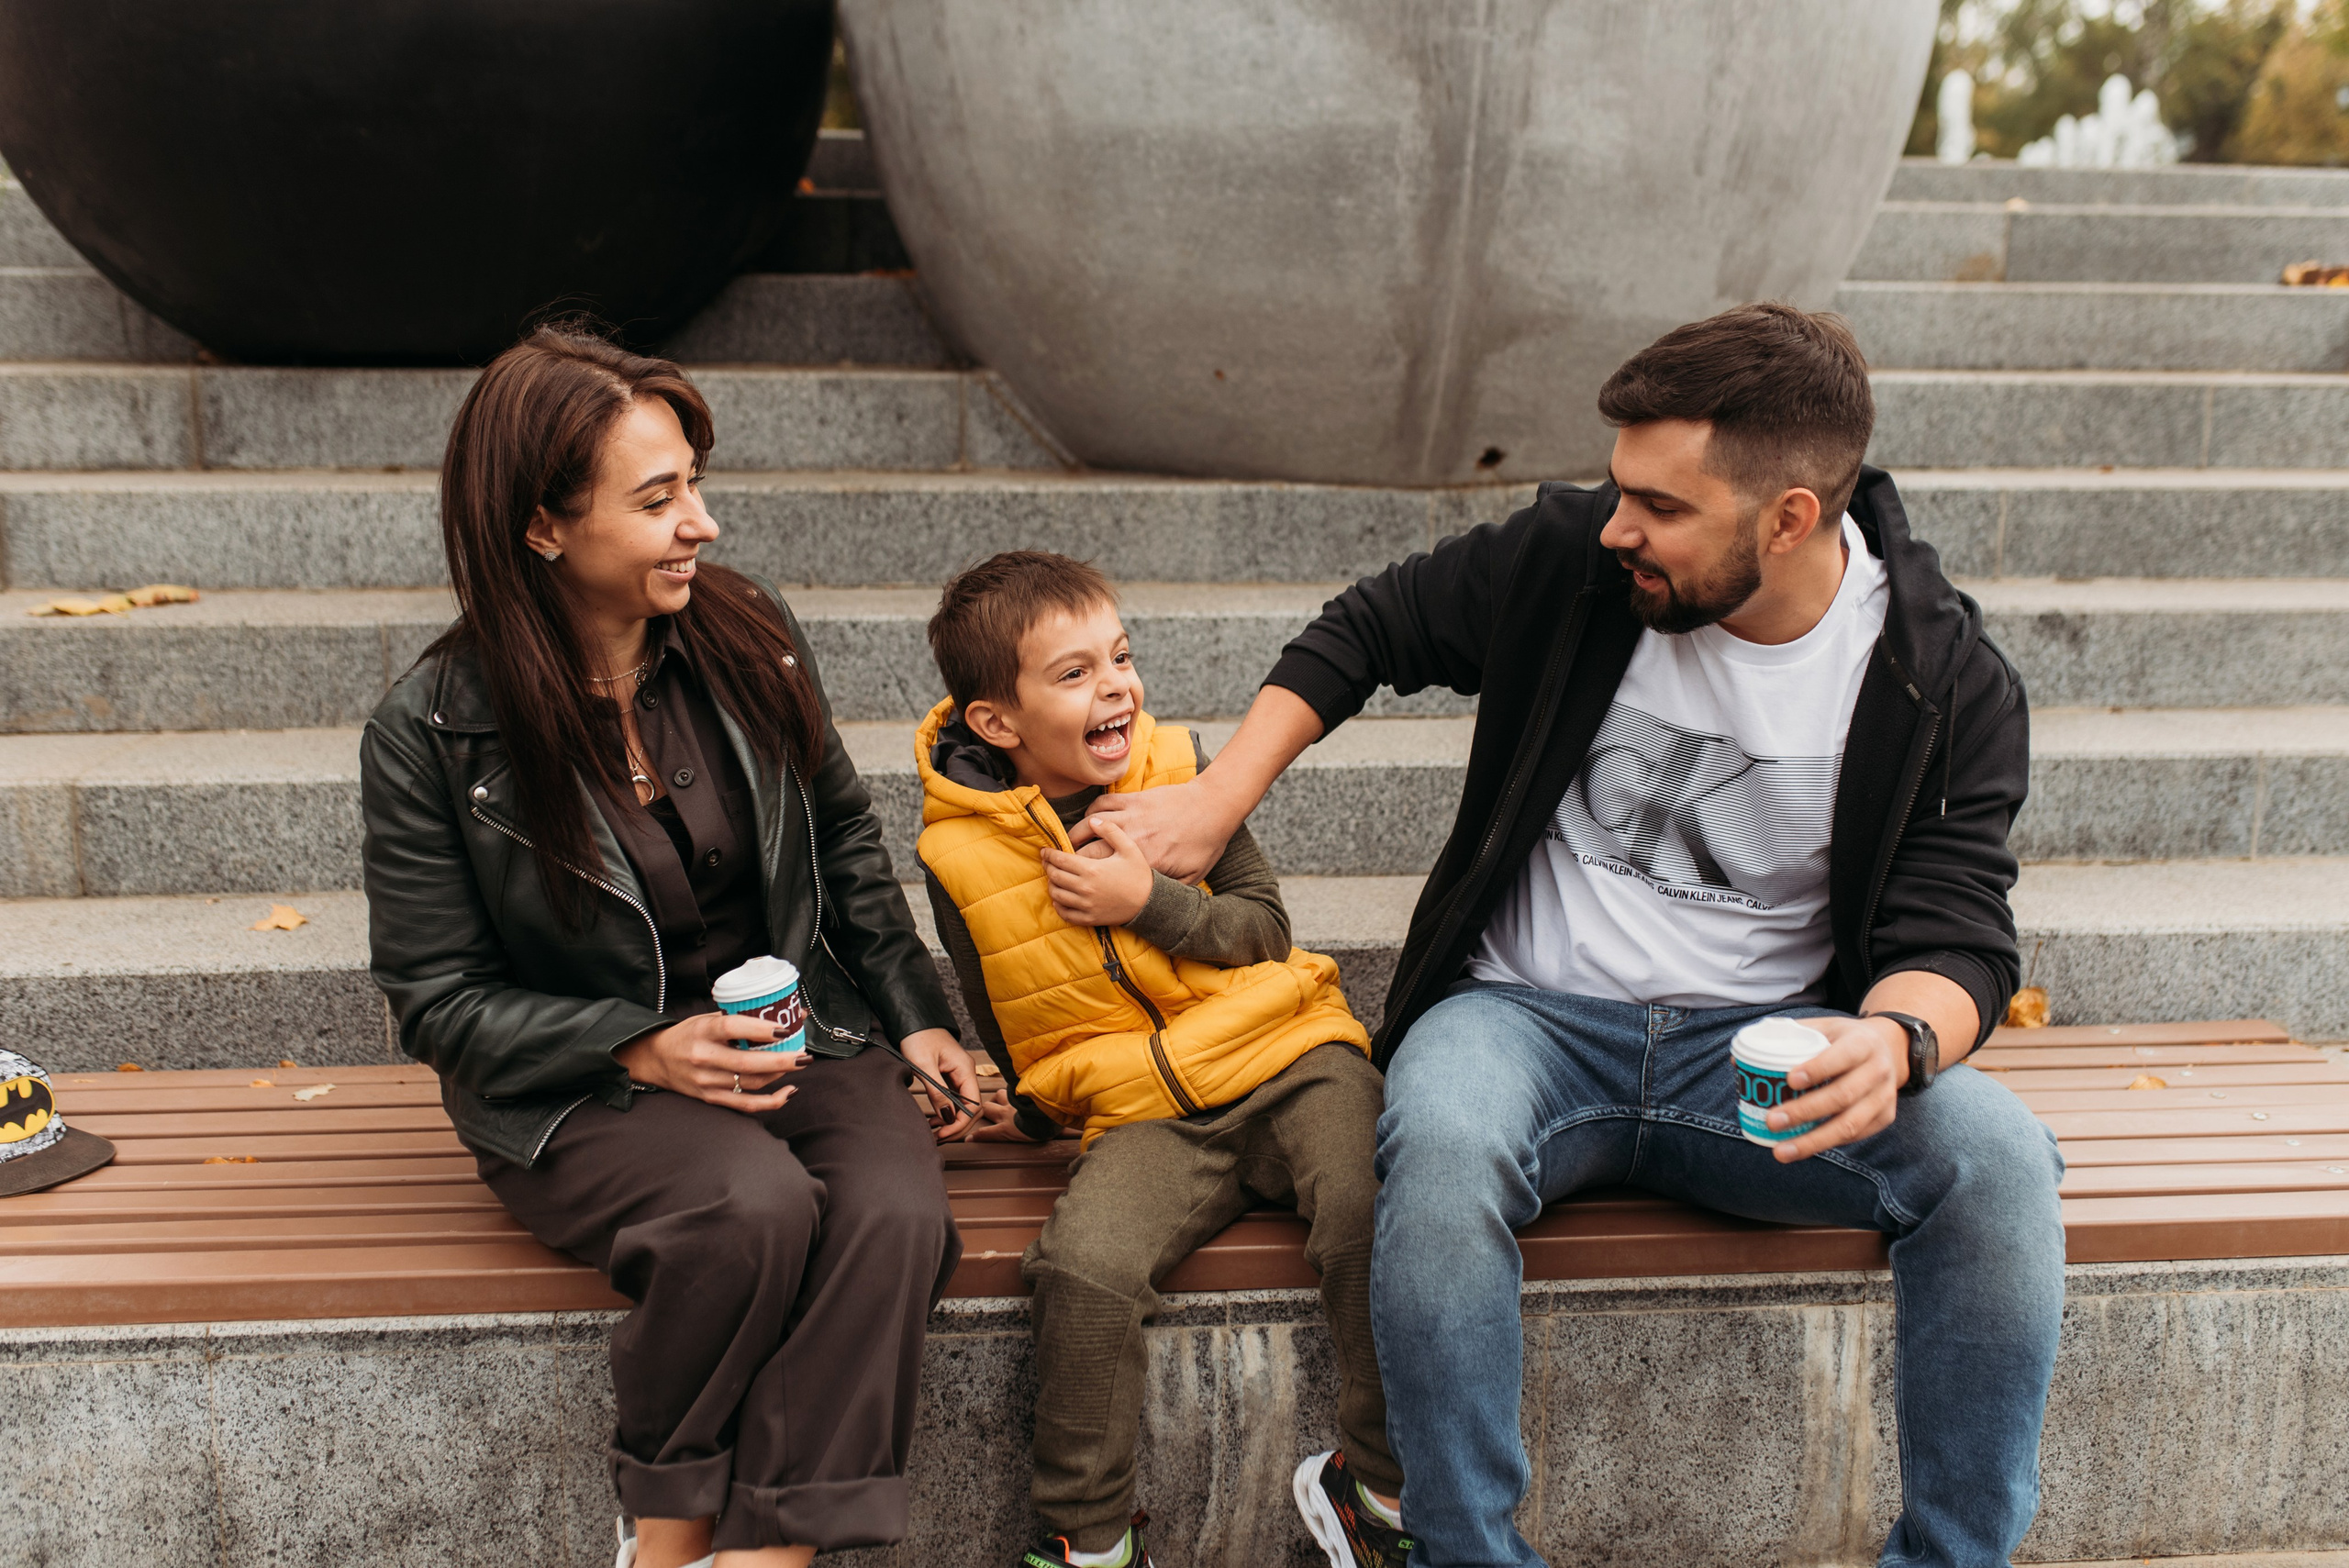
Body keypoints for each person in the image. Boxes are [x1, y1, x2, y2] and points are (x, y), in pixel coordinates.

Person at [1073, 304, 2065, 1568]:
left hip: (1760, 1057)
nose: (1618, 526)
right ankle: (1465, 1553)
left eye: (1661, 504)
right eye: (1617, 488)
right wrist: (1218, 800)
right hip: (1525, 1019)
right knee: (1435, 1138)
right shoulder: (1575, 563)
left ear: (1791, 518)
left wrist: (1897, 1040)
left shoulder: (1941, 680)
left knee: (1997, 1159)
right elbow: (1371, 626)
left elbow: (1963, 928)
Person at [361, 325, 981, 1568]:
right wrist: (640, 1046)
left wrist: (917, 1009)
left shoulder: (747, 632)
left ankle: (765, 1555)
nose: (701, 522)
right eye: (658, 498)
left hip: (799, 1036)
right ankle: (667, 1528)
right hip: (583, 1087)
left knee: (897, 1217)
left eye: (694, 482)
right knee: (748, 1209)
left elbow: (845, 835)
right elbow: (438, 1000)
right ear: (544, 526)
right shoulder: (434, 732)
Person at [914, 551, 1411, 1568]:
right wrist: (1035, 1110)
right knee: (1082, 1267)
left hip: (1288, 1052)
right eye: (1074, 673)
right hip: (1143, 1108)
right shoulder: (955, 854)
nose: (1116, 688)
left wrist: (1152, 904)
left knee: (1371, 1210)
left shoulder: (1180, 767)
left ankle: (1380, 1489)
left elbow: (1264, 928)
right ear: (996, 721)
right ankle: (1087, 1540)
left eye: (1122, 657)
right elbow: (1010, 1014)